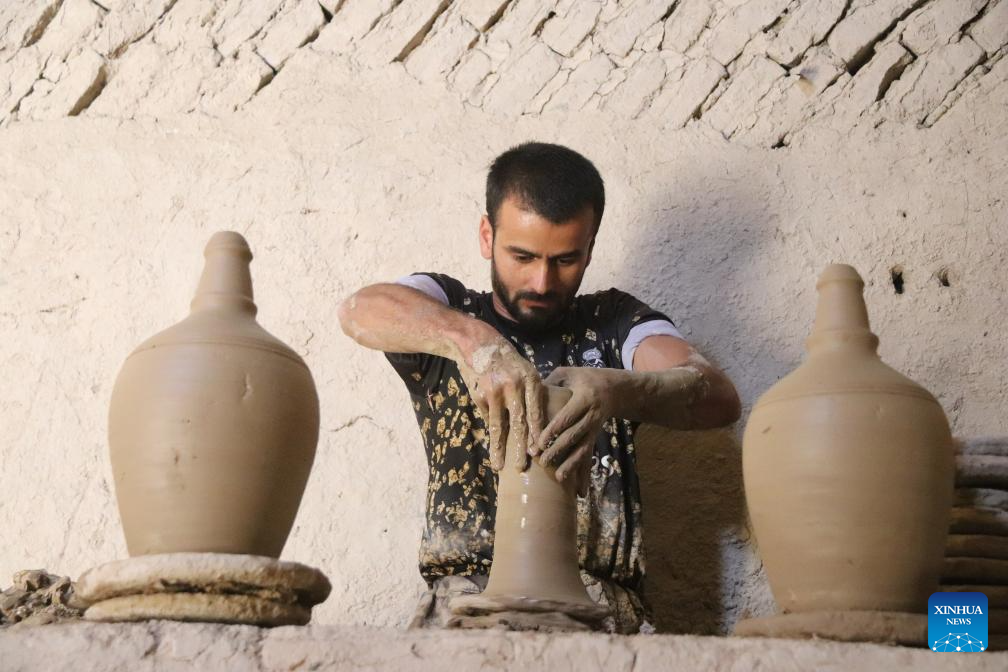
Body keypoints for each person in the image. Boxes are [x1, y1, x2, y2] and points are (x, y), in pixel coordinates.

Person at [338, 141, 741, 632]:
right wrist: (473, 342)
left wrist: (619, 390)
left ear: (590, 248)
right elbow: (360, 309)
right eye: (522, 256)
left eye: (566, 260)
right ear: (488, 236)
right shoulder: (449, 306)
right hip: (466, 602)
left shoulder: (614, 323)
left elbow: (717, 395)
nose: (542, 281)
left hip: (599, 608)